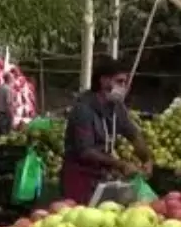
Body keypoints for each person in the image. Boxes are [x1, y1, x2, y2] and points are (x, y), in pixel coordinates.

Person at [61, 57, 152, 204]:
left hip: (101, 175)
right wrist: (120, 164)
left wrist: (146, 158)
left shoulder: (116, 107)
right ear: (103, 81)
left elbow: (133, 134)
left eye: (125, 83)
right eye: (119, 82)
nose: (123, 87)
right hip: (79, 177)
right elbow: (86, 151)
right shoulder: (83, 109)